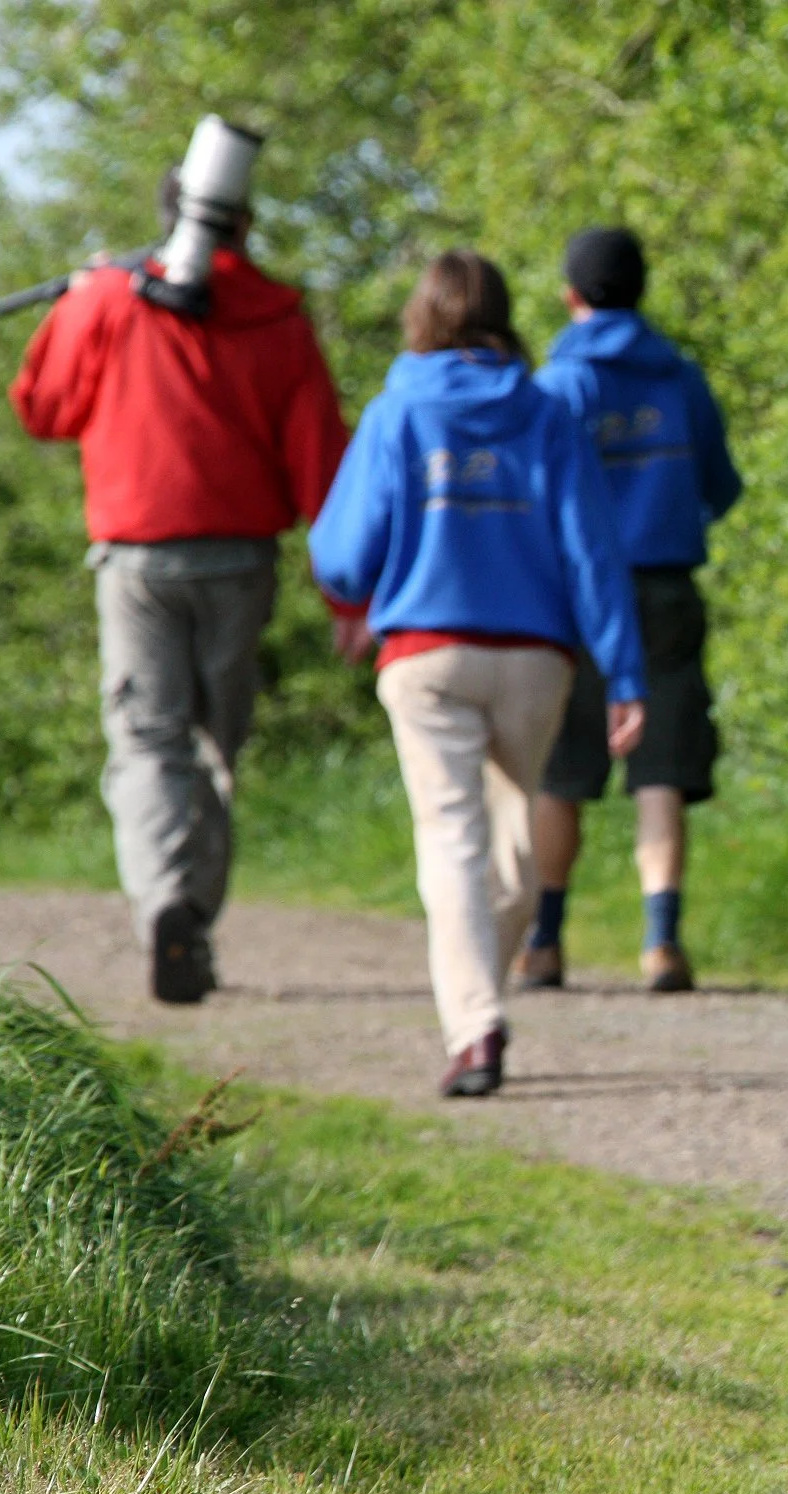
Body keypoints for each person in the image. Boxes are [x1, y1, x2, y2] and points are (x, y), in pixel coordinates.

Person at [308, 250, 646, 1098]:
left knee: (455, 839)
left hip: (427, 656)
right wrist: (626, 673)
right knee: (511, 846)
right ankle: (478, 1017)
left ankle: (476, 1026)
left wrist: (350, 592)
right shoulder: (547, 412)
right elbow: (593, 554)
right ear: (503, 314)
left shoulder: (398, 412)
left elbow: (345, 552)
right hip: (535, 659)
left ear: (423, 316)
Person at [11, 169, 353, 1005]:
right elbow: (320, 459)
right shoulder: (279, 314)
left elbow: (43, 409)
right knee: (212, 744)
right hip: (241, 560)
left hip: (136, 557)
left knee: (146, 741)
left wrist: (79, 299)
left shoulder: (109, 300)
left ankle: (167, 904)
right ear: (247, 219)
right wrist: (349, 591)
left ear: (168, 219)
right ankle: (191, 914)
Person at [516, 226, 742, 994]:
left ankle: (543, 943)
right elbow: (721, 485)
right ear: (642, 289)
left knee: (562, 773)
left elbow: (532, 498)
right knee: (661, 774)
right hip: (667, 590)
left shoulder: (557, 385)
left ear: (570, 295)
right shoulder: (680, 378)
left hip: (577, 598)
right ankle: (660, 943)